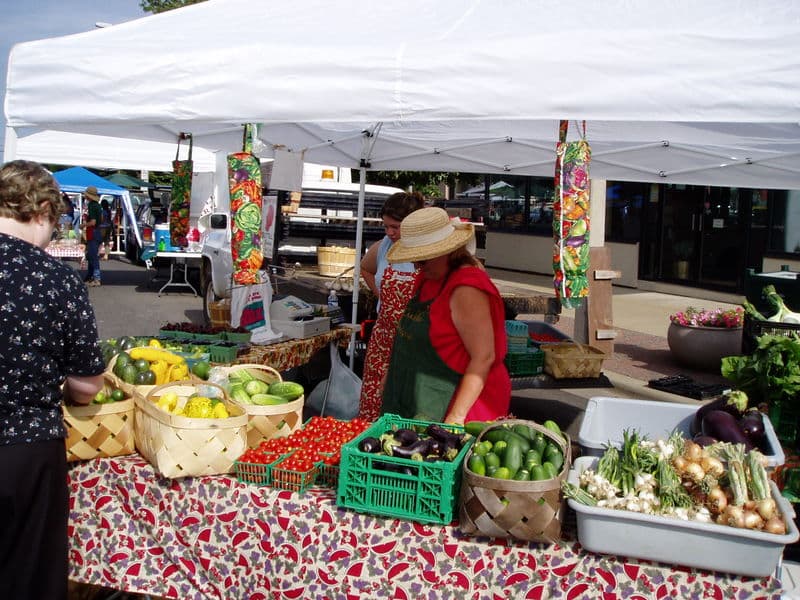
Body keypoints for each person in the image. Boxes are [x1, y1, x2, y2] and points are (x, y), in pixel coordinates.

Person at [0, 160, 105, 600]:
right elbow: (88, 384)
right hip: (24, 452)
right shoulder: (56, 279)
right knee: (26, 573)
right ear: (42, 211)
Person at [381, 206, 510, 424]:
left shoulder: (467, 288)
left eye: (422, 259)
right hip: (421, 396)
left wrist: (455, 418)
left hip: (463, 403)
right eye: (415, 259)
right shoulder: (428, 278)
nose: (416, 265)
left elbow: (483, 357)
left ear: (447, 251)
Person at [357, 191, 425, 421]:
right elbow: (365, 269)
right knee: (375, 396)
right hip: (383, 338)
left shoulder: (425, 252)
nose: (389, 232)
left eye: (395, 227)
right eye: (386, 226)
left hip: (415, 341)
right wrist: (381, 296)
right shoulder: (384, 246)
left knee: (407, 398)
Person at [82, 185, 103, 286]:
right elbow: (101, 219)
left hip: (93, 232)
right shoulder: (98, 205)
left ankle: (96, 278)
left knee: (93, 256)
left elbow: (93, 222)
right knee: (91, 255)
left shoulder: (92, 205)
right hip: (98, 232)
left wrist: (84, 224)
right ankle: (90, 276)